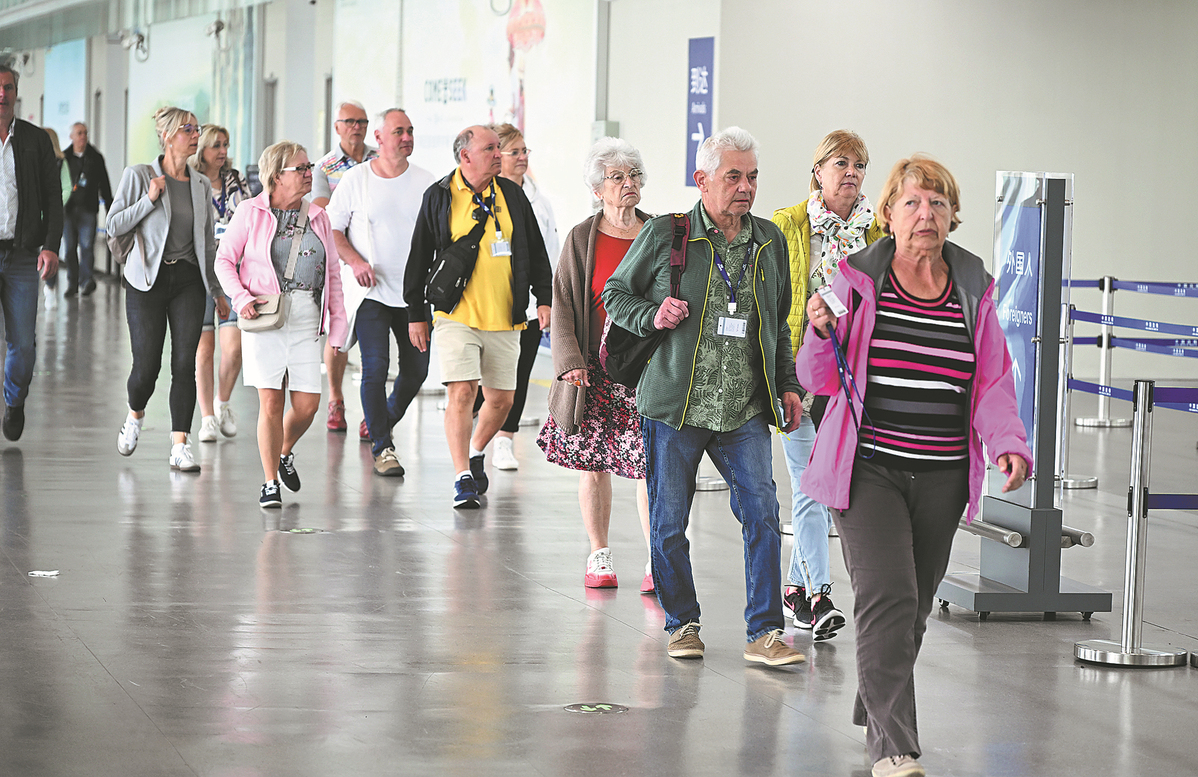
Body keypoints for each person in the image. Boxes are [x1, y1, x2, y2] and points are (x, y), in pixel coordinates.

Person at [797, 155, 1032, 777]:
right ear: (889, 215)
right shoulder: (856, 281)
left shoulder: (971, 289)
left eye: (937, 203)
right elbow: (815, 377)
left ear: (953, 215)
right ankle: (893, 745)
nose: (925, 214)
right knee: (888, 596)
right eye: (911, 202)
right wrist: (818, 333)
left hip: (943, 474)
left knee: (916, 605)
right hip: (867, 468)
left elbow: (992, 383)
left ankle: (875, 699)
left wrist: (1008, 442)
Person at [602, 127, 804, 666]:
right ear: (702, 180)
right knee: (669, 523)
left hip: (744, 409)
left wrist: (786, 382)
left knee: (762, 515)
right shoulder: (670, 234)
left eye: (753, 176)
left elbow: (779, 322)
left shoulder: (768, 240)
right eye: (733, 176)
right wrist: (652, 315)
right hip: (675, 404)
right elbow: (614, 294)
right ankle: (682, 622)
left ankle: (765, 632)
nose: (746, 187)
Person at [771, 129, 885, 639]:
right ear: (817, 170)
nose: (852, 173)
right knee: (810, 488)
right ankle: (818, 597)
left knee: (829, 488)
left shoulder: (878, 235)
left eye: (859, 165)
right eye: (840, 163)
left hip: (854, 380)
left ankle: (794, 588)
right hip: (799, 375)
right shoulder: (788, 227)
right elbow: (770, 305)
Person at [403, 124, 552, 509]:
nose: (499, 155)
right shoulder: (439, 196)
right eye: (490, 149)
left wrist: (545, 297)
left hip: (505, 316)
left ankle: (474, 450)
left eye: (498, 148)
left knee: (501, 400)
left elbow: (536, 252)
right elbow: (419, 257)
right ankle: (461, 477)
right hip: (455, 314)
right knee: (462, 391)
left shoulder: (513, 196)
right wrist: (415, 314)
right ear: (465, 156)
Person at [537, 137, 652, 592]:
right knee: (594, 462)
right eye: (618, 177)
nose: (629, 184)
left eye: (634, 175)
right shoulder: (582, 237)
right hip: (594, 368)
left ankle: (655, 560)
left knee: (650, 465)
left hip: (646, 367)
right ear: (598, 189)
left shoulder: (658, 232)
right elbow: (562, 301)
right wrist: (568, 361)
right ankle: (598, 553)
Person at [214, 141, 348, 508]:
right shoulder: (249, 211)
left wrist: (339, 329)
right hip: (264, 316)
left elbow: (333, 275)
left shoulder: (319, 216)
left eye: (309, 168)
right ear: (277, 176)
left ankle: (283, 451)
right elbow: (224, 261)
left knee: (308, 404)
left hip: (307, 317)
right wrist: (241, 300)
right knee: (271, 402)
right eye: (301, 169)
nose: (309, 174)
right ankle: (270, 480)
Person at [107, 107, 221, 471]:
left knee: (184, 363)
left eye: (196, 129)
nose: (195, 135)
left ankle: (180, 444)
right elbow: (113, 224)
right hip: (146, 282)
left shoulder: (200, 184)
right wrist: (149, 199)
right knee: (146, 368)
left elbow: (206, 243)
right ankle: (135, 414)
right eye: (188, 129)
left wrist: (216, 290)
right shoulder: (140, 175)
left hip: (188, 280)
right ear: (168, 135)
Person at [327, 108, 435, 476]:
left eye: (411, 130)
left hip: (413, 297)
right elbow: (334, 231)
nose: (407, 137)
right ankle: (382, 447)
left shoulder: (427, 182)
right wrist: (356, 262)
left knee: (417, 370)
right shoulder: (356, 180)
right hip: (371, 293)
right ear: (380, 137)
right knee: (375, 367)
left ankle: (382, 419)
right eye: (399, 131)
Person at [475, 122, 560, 471]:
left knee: (519, 376)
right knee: (485, 379)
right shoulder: (483, 197)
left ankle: (504, 440)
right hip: (487, 306)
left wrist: (548, 299)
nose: (523, 157)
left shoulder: (540, 201)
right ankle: (477, 435)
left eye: (525, 151)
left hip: (525, 307)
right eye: (515, 152)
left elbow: (550, 253)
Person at [0, 64, 63, 442]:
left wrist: (51, 245)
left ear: (16, 93)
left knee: (23, 344)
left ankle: (15, 399)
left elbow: (54, 198)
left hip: (22, 255)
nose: (1, 95)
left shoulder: (34, 140)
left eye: (7, 88)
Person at [311, 100, 377, 434]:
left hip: (375, 262)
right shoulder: (323, 168)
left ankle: (372, 410)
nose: (357, 127)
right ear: (337, 126)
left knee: (371, 338)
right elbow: (324, 214)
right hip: (339, 261)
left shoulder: (381, 161)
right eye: (350, 121)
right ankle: (336, 399)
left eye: (362, 121)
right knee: (339, 333)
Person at [191, 124, 250, 444]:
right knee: (204, 351)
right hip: (200, 272)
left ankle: (223, 403)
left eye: (225, 144)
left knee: (234, 348)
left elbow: (251, 214)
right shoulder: (193, 181)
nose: (222, 151)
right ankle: (207, 418)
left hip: (232, 271)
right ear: (201, 149)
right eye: (216, 145)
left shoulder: (236, 179)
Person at [62, 122, 112, 297]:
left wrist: (109, 206)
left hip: (88, 210)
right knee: (69, 249)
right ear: (72, 136)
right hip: (68, 211)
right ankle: (72, 283)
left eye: (85, 133)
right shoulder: (64, 157)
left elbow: (104, 183)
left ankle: (86, 281)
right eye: (79, 133)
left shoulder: (95, 157)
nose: (83, 136)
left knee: (86, 246)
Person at [40, 126, 70, 311]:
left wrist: (55, 206)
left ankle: (50, 288)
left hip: (51, 216)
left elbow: (66, 187)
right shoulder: (33, 160)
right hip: (33, 216)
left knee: (51, 251)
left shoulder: (60, 162)